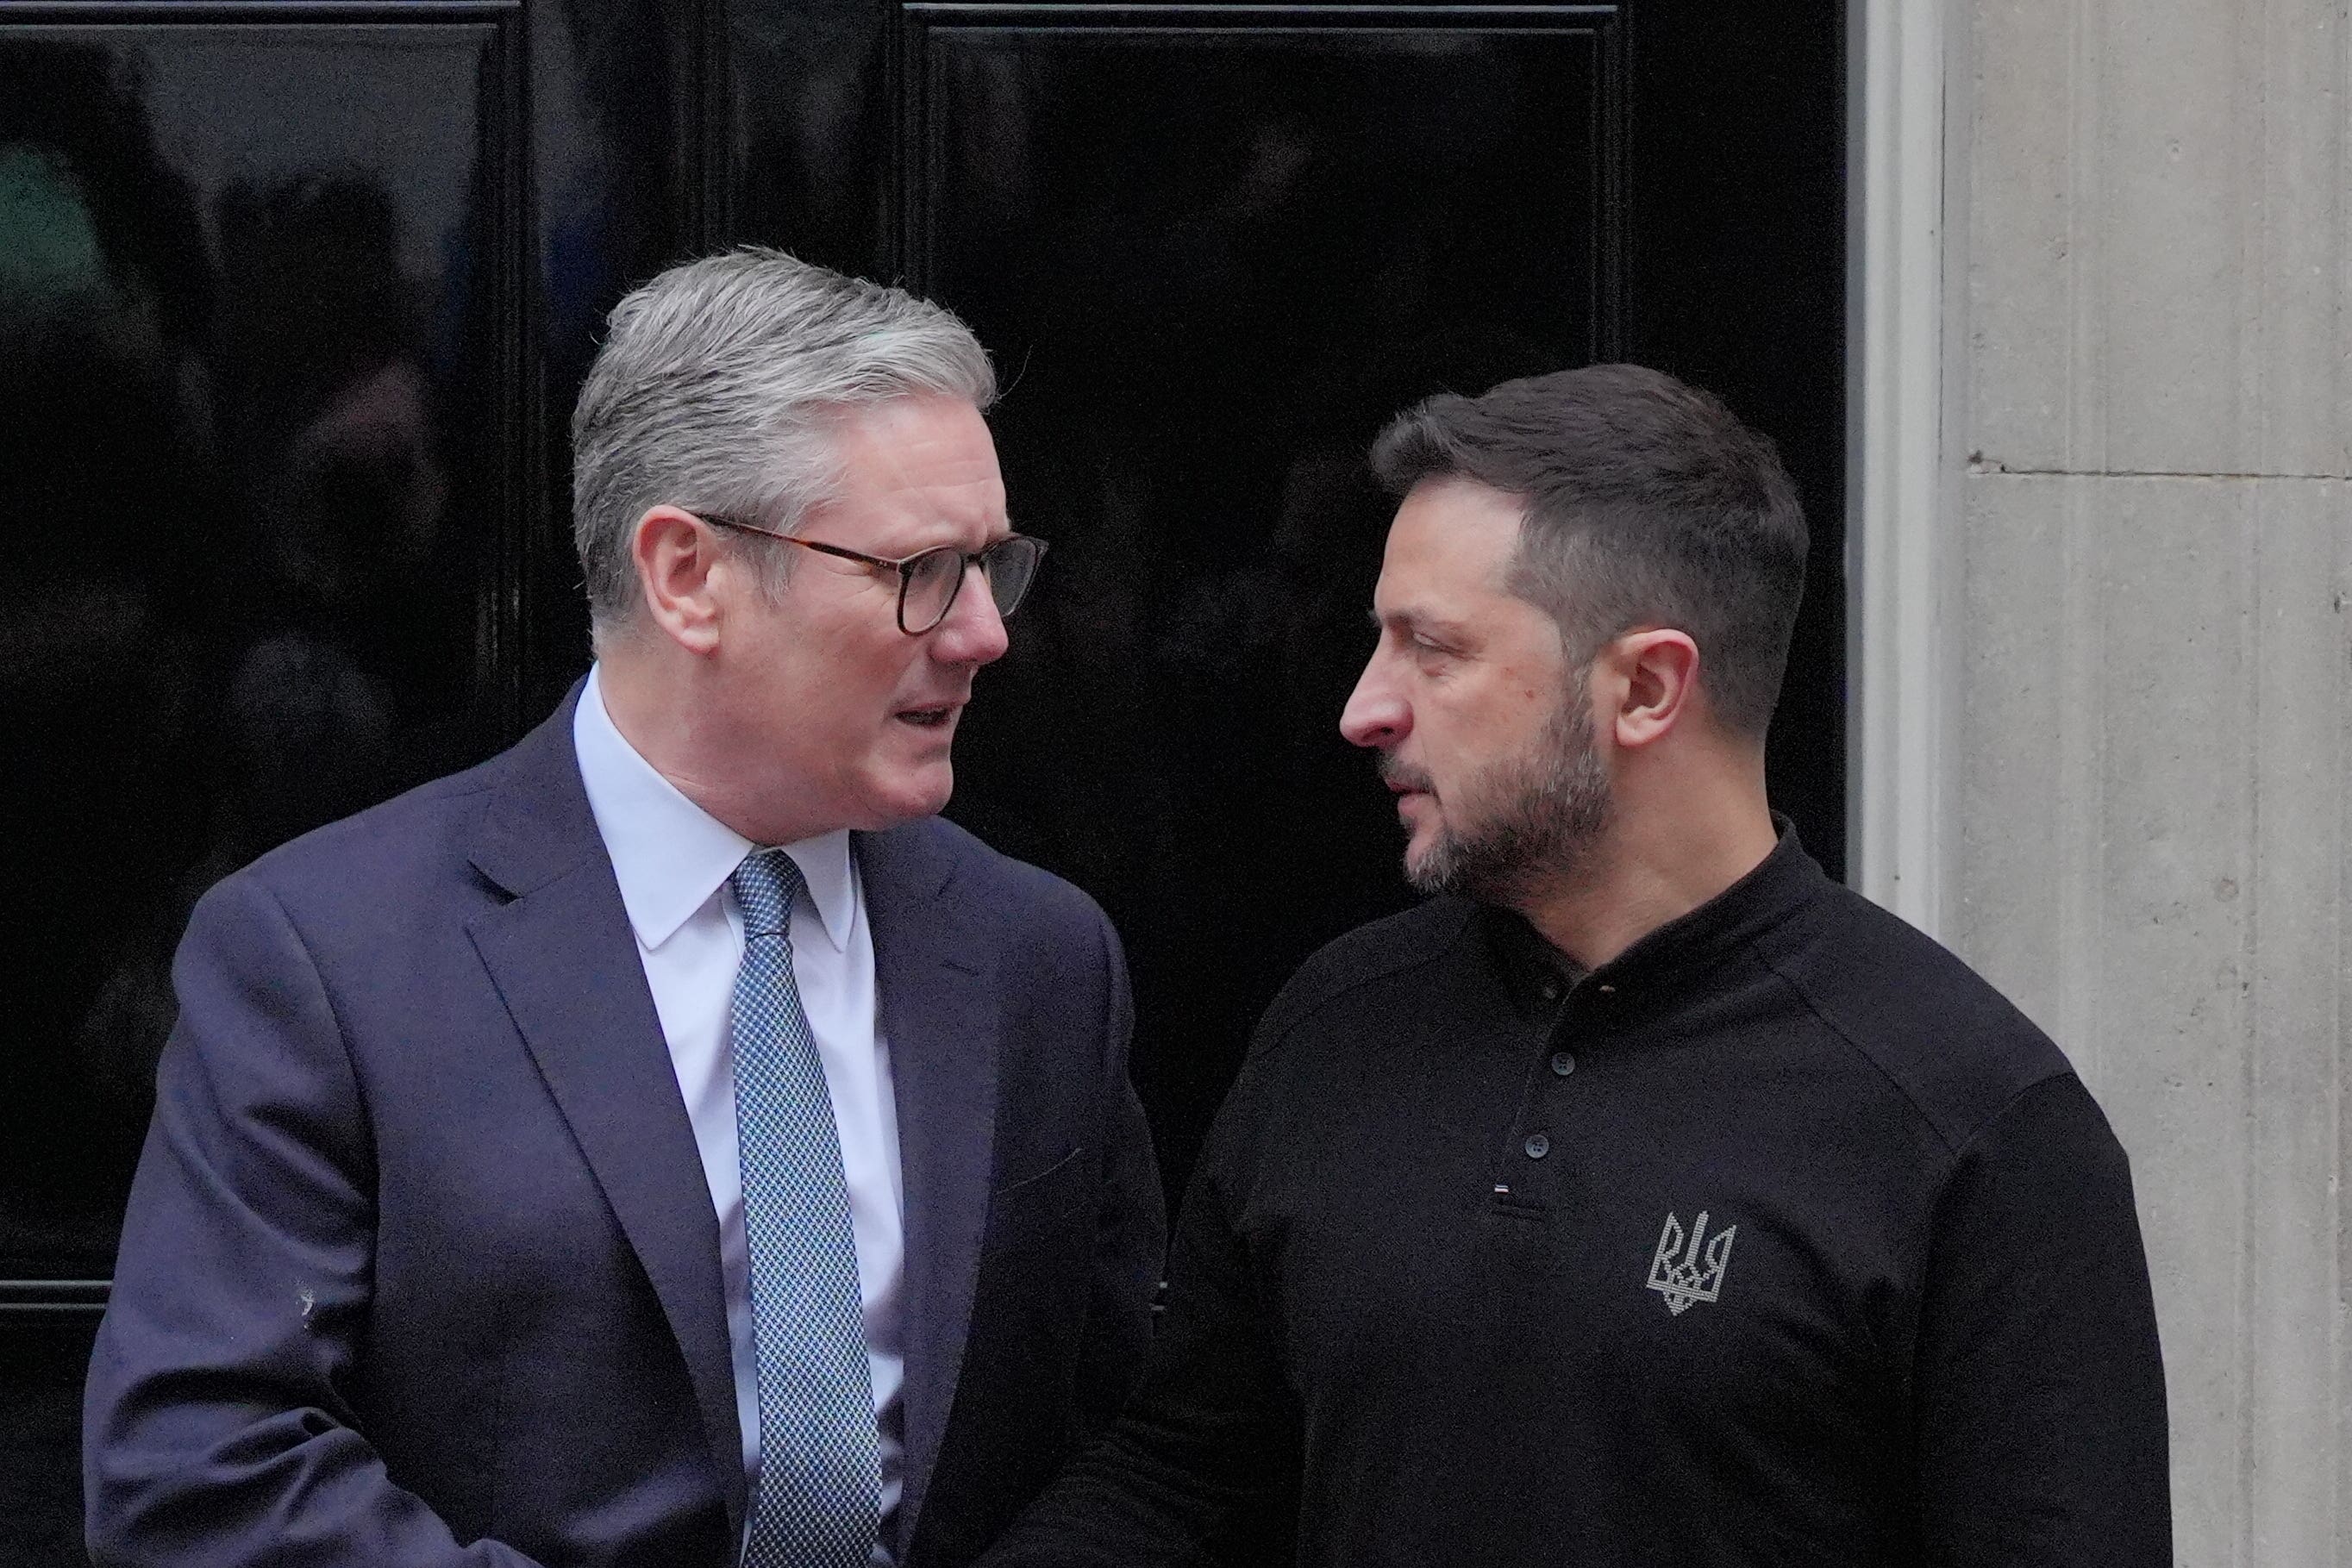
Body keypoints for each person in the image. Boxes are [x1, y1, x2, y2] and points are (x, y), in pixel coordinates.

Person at [979, 365, 2171, 1567]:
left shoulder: (1976, 1125)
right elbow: (1187, 1479)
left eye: (1430, 650)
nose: (1363, 708)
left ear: (1646, 688)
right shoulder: (1337, 1024)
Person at [84, 248, 1165, 1568]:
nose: (985, 632)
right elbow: (201, 1475)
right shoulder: (324, 958)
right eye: (920, 572)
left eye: (994, 565)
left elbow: (1132, 1449)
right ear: (686, 575)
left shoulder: (1040, 957)